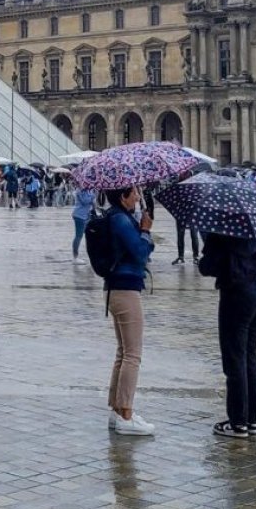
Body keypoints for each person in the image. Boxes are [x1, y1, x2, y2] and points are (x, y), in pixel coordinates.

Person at [203, 231, 256, 438]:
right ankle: (251, 420)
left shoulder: (221, 231)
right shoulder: (251, 228)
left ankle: (238, 421)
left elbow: (208, 266)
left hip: (236, 294)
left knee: (235, 359)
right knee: (249, 357)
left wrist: (208, 245)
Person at [102, 185, 156, 436]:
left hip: (115, 289)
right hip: (125, 290)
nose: (137, 196)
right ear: (123, 197)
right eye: (133, 192)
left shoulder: (117, 217)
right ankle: (126, 414)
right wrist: (145, 230)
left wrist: (143, 227)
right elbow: (141, 253)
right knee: (133, 354)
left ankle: (117, 410)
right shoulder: (121, 221)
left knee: (123, 352)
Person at [72, 186, 96, 259]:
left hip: (86, 216)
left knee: (90, 234)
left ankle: (91, 253)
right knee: (78, 236)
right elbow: (85, 201)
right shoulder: (80, 190)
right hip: (79, 215)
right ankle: (75, 257)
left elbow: (92, 204)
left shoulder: (89, 190)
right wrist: (93, 197)